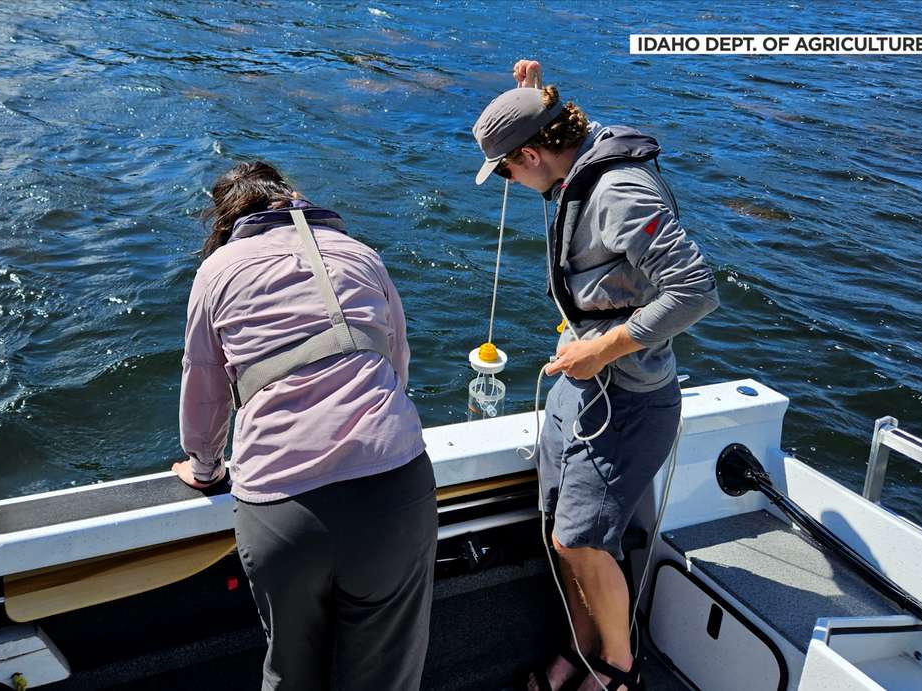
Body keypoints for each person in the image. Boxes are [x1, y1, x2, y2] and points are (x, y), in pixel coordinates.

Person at [470, 61, 719, 691]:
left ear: (530, 153)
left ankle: (617, 669)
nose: (506, 182)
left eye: (505, 169)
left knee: (583, 539)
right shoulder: (569, 155)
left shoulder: (619, 191)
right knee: (563, 534)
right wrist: (532, 96)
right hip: (581, 389)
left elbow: (695, 290)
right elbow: (558, 145)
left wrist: (604, 348)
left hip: (626, 397)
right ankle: (583, 649)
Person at [172, 161, 437, 691]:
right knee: (385, 678)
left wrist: (205, 467)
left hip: (282, 507)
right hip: (394, 489)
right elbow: (396, 365)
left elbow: (204, 390)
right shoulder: (362, 255)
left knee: (291, 672)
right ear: (292, 197)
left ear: (225, 220)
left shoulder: (217, 271)